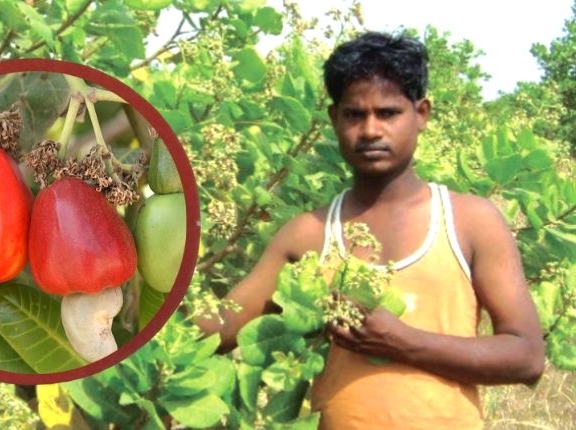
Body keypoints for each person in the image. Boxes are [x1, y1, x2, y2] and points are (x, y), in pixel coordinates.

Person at [196, 31, 545, 429]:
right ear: (333, 119)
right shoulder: (307, 234)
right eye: (354, 114)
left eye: (388, 113)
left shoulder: (470, 220)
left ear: (422, 114)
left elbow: (526, 357)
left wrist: (401, 342)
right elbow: (222, 328)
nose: (370, 130)